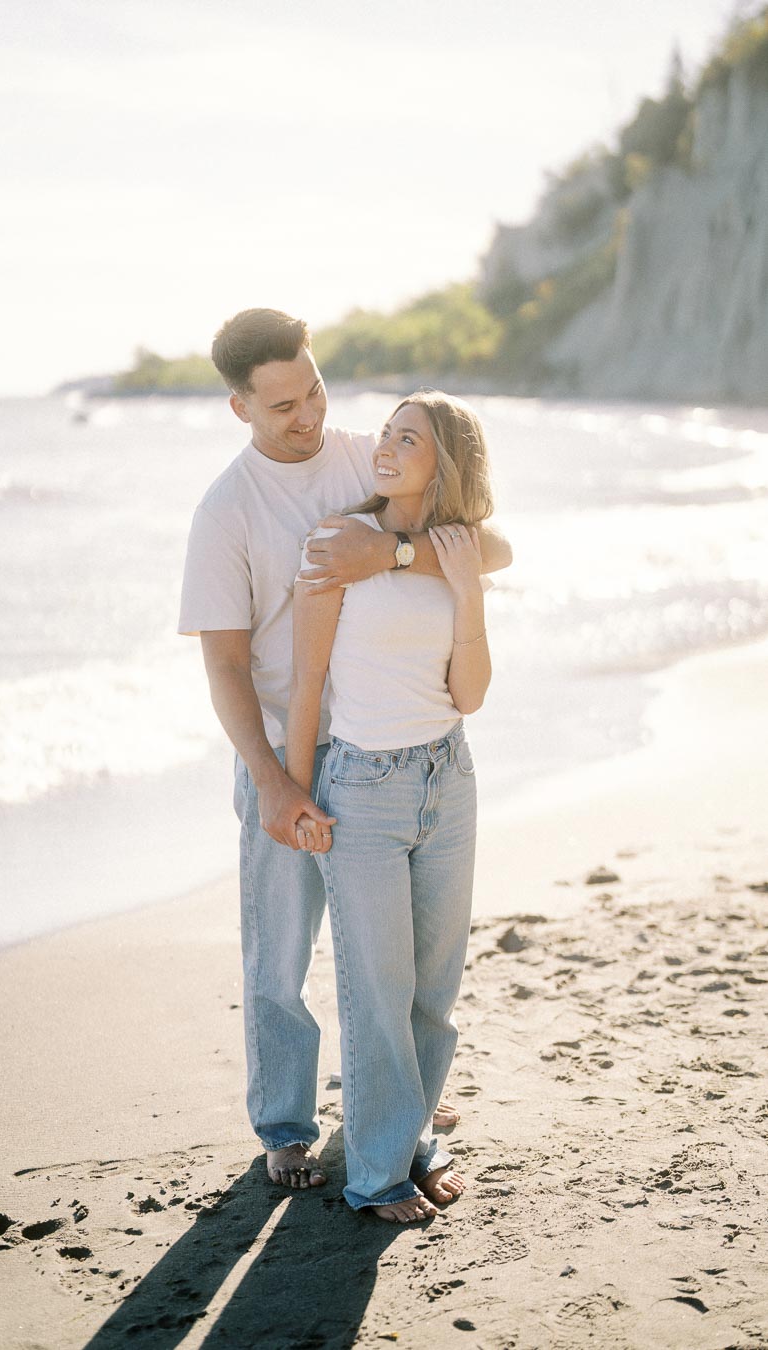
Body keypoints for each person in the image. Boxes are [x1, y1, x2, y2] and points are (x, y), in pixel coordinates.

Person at [177, 310, 511, 1190]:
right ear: (240, 407)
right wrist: (276, 783)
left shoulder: (371, 453)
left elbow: (488, 545)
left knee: (394, 964)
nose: (309, 416)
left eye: (315, 388)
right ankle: (286, 1126)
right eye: (284, 404)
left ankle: (394, 1114)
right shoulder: (226, 512)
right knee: (280, 959)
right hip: (287, 755)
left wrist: (392, 550)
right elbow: (224, 665)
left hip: (383, 744)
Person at [285, 389, 492, 1223]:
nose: (387, 445)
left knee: (433, 990)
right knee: (378, 989)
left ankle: (410, 1140)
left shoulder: (459, 551)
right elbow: (306, 685)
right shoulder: (338, 542)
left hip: (450, 775)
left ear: (444, 460)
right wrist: (294, 792)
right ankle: (375, 1175)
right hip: (364, 788)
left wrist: (470, 594)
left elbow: (469, 694)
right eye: (386, 432)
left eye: (410, 438)